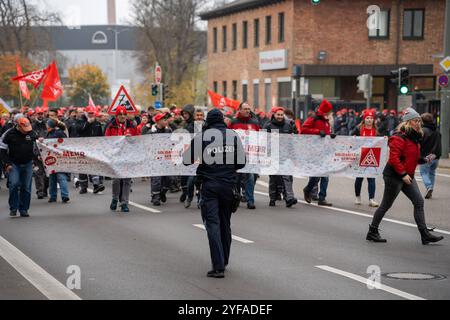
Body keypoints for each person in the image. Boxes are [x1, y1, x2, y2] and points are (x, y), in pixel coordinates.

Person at [183, 109, 246, 278]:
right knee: (225, 222)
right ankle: (224, 259)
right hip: (228, 185)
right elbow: (241, 162)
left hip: (209, 185)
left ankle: (218, 266)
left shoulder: (202, 136)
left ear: (207, 121)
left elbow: (186, 160)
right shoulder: (233, 135)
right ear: (223, 120)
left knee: (212, 224)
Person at [366, 108, 444, 245]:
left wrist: (424, 160)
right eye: (415, 120)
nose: (418, 123)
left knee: (419, 202)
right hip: (394, 176)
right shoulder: (398, 137)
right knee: (386, 205)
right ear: (407, 123)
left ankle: (425, 234)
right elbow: (394, 158)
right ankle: (372, 231)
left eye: (419, 120)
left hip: (408, 175)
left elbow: (411, 157)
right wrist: (402, 174)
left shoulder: (414, 138)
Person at [0, 118, 38, 217]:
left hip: (28, 163)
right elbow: (2, 150)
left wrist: (41, 140)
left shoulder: (32, 133)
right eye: (24, 128)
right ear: (18, 126)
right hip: (14, 164)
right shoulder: (9, 134)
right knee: (14, 185)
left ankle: (24, 209)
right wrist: (7, 164)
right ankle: (13, 208)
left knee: (26, 187)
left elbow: (39, 145)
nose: (26, 130)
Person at [301, 99, 336, 207]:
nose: (330, 113)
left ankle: (322, 198)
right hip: (314, 151)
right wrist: (317, 132)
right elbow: (303, 130)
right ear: (325, 111)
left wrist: (331, 135)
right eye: (329, 111)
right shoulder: (313, 119)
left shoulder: (326, 121)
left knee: (325, 176)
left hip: (325, 152)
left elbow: (326, 134)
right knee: (316, 175)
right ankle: (308, 189)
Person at [105, 106, 137, 213]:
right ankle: (115, 198)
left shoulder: (132, 125)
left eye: (124, 114)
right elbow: (106, 141)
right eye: (120, 114)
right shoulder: (111, 126)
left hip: (128, 156)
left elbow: (137, 141)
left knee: (127, 180)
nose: (123, 116)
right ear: (116, 115)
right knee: (116, 179)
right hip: (116, 156)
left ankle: (124, 203)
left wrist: (130, 139)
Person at [264, 107, 298, 208]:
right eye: (278, 115)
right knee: (274, 178)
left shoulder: (288, 125)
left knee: (286, 176)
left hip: (285, 155)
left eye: (281, 115)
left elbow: (292, 141)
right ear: (274, 115)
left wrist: (293, 156)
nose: (280, 117)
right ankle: (272, 198)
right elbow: (263, 140)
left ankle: (289, 198)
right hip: (273, 155)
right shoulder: (268, 125)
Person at [229, 102, 261, 210]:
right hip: (236, 155)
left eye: (249, 108)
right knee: (236, 179)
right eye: (245, 109)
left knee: (250, 177)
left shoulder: (254, 123)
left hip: (250, 155)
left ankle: (250, 201)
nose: (247, 111)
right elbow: (228, 136)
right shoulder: (233, 122)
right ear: (240, 110)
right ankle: (236, 197)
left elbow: (259, 138)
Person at [142, 112, 172, 206]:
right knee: (156, 179)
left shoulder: (168, 131)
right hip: (155, 159)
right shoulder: (151, 132)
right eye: (164, 119)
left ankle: (162, 192)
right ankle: (155, 197)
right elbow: (146, 144)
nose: (166, 121)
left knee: (169, 178)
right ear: (158, 121)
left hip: (166, 159)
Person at [77, 106, 106, 194]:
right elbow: (80, 130)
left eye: (92, 113)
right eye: (89, 113)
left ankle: (96, 185)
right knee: (83, 167)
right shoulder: (80, 121)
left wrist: (102, 147)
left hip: (95, 148)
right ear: (86, 113)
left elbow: (100, 136)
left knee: (94, 166)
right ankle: (83, 187)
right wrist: (88, 123)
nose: (91, 115)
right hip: (83, 148)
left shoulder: (97, 123)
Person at [353, 110, 379, 207]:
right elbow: (351, 139)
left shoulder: (376, 130)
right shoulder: (358, 129)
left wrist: (384, 139)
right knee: (359, 178)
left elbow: (381, 142)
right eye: (367, 118)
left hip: (372, 157)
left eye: (371, 118)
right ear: (364, 119)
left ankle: (371, 199)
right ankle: (358, 196)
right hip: (360, 156)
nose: (369, 120)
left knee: (371, 179)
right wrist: (354, 138)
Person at [46, 119, 70, 203]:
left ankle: (63, 195)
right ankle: (55, 196)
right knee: (53, 177)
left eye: (47, 124)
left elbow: (65, 144)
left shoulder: (58, 133)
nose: (46, 126)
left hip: (59, 157)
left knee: (60, 176)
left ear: (50, 125)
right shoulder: (51, 132)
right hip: (52, 157)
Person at [419, 113, 442, 200]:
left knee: (423, 172)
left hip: (426, 157)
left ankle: (429, 187)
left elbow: (419, 144)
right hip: (435, 157)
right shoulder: (437, 131)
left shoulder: (423, 131)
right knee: (432, 173)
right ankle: (430, 189)